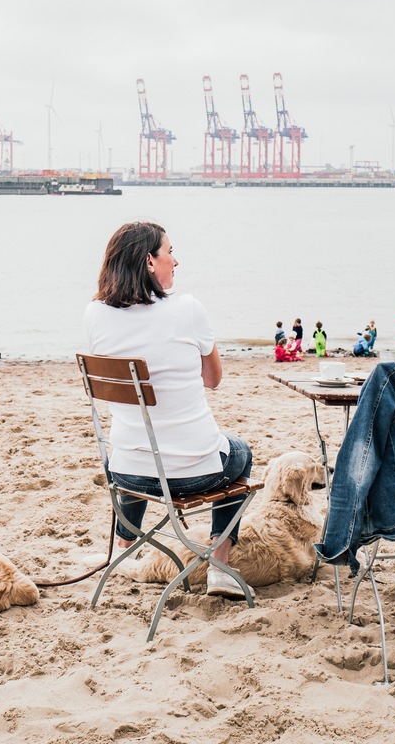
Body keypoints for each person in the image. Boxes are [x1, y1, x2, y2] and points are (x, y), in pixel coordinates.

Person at [84, 221, 253, 599]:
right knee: (240, 453)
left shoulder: (94, 313)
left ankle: (127, 536)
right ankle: (220, 568)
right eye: (170, 252)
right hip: (192, 476)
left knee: (137, 438)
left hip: (125, 473)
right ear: (149, 261)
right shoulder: (189, 308)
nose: (175, 261)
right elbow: (213, 379)